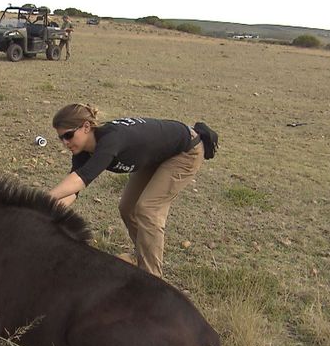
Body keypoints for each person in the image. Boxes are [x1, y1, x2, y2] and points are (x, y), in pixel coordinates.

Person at [48, 104, 217, 278]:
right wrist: (44, 212)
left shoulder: (110, 139)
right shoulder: (82, 152)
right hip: (156, 155)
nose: (65, 143)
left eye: (68, 135)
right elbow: (71, 191)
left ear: (86, 126)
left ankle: (153, 281)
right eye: (61, 138)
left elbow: (81, 179)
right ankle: (142, 256)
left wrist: (43, 199)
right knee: (128, 208)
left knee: (147, 209)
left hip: (185, 151)